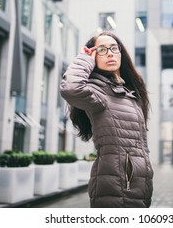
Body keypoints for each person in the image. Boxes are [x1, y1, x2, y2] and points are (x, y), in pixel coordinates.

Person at [60, 31, 153, 208]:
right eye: (101, 50)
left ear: (121, 53)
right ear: (93, 56)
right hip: (116, 186)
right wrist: (85, 58)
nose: (109, 53)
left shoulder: (128, 92)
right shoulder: (98, 92)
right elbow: (71, 88)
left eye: (113, 48)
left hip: (138, 185)